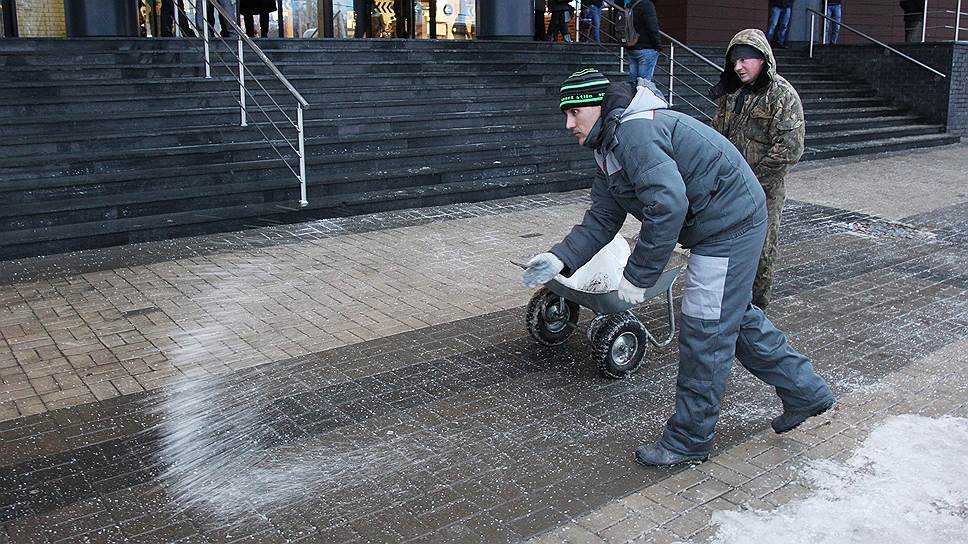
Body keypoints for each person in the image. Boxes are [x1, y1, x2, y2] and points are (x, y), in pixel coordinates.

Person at [521, 68, 833, 466]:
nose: (569, 124)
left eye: (574, 112)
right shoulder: (610, 147)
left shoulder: (635, 134)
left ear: (599, 106)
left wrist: (639, 275)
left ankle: (689, 440)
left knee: (705, 329)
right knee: (730, 319)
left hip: (729, 226)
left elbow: (667, 207)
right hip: (721, 222)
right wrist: (559, 258)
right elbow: (601, 218)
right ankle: (806, 391)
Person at [711, 29, 804, 311]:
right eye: (734, 61)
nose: (738, 67)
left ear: (762, 59)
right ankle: (726, 305)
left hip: (764, 193)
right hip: (729, 190)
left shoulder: (782, 96)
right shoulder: (732, 93)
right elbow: (716, 138)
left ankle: (755, 311)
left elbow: (789, 149)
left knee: (761, 252)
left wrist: (751, 182)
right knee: (724, 248)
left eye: (744, 60)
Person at [626, 0, 661, 82]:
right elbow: (652, 26)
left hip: (632, 46)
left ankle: (632, 94)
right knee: (644, 83)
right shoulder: (647, 5)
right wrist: (658, 46)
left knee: (633, 82)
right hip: (646, 47)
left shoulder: (631, 4)